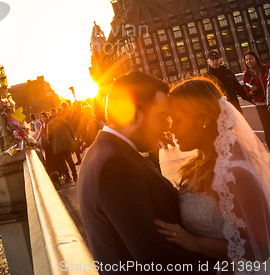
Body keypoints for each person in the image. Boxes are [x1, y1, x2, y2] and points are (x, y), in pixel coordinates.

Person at [78, 71, 214, 273]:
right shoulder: (115, 165)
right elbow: (153, 255)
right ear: (134, 115)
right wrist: (223, 267)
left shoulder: (103, 151)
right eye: (161, 117)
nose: (166, 128)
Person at [155, 79, 270, 269]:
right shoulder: (195, 166)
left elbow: (262, 246)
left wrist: (195, 243)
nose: (170, 128)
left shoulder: (236, 172)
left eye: (177, 120)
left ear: (204, 120)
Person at [243, 51, 270, 144]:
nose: (248, 61)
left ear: (256, 59)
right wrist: (252, 91)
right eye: (246, 60)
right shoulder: (246, 75)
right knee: (268, 129)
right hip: (261, 105)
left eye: (250, 58)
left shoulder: (267, 68)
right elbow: (247, 94)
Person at [46, 113, 77, 182]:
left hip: (58, 145)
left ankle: (68, 176)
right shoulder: (65, 122)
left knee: (61, 162)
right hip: (67, 143)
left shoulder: (50, 124)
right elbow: (71, 133)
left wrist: (48, 140)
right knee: (69, 160)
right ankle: (75, 175)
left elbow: (48, 136)